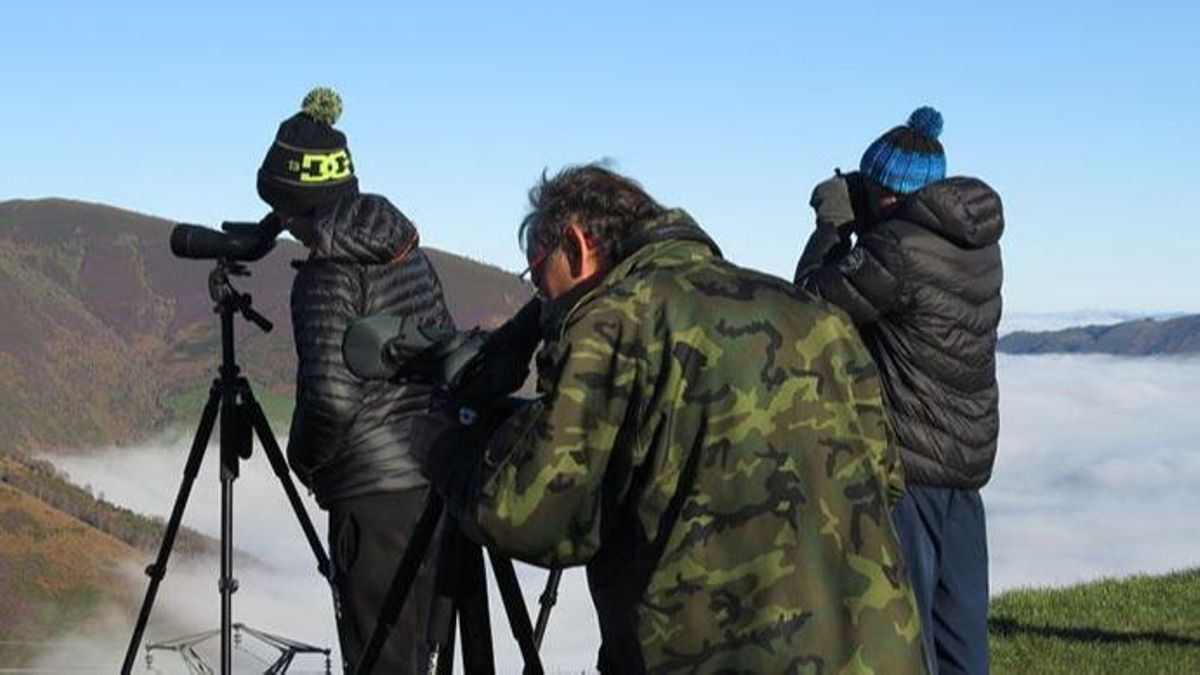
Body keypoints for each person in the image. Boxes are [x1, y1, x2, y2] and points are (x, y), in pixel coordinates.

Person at [419, 164, 925, 673]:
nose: (543, 300)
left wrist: (446, 448)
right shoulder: (816, 314)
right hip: (876, 650)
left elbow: (527, 516)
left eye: (536, 271)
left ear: (576, 244)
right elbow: (886, 481)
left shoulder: (615, 319)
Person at [794, 107, 1004, 674]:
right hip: (965, 468)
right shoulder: (977, 246)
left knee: (906, 635)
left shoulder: (898, 251)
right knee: (961, 636)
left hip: (909, 470)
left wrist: (832, 228)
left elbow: (813, 307)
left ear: (888, 195)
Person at [256, 87, 456, 673]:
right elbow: (440, 346)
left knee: (379, 660)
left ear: (297, 204)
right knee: (420, 655)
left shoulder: (325, 275)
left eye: (283, 209)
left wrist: (306, 462)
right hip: (432, 481)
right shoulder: (404, 250)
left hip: (372, 501)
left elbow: (331, 398)